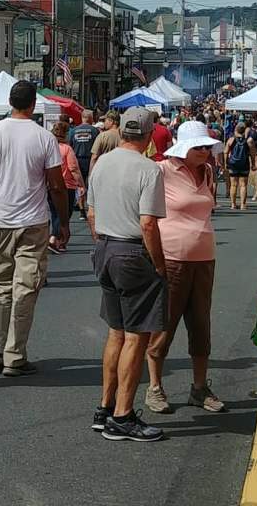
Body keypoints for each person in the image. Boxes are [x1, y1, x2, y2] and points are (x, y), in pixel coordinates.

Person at [0, 80, 69, 377]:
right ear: (32, 105)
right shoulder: (44, 137)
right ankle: (14, 355)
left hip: (1, 218)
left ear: (10, 102)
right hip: (33, 220)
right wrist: (63, 221)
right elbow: (56, 184)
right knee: (25, 287)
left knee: (2, 287)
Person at [88, 106, 167, 442]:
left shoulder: (102, 162)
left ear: (121, 131)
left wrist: (103, 241)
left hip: (106, 247)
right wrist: (159, 263)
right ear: (149, 136)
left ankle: (106, 407)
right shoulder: (149, 169)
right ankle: (122, 415)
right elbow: (148, 222)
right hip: (133, 251)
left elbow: (90, 212)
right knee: (136, 336)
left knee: (116, 332)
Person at [145, 121, 225, 414]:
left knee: (201, 325)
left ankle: (199, 387)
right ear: (184, 148)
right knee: (164, 324)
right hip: (172, 258)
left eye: (207, 146)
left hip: (204, 258)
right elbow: (146, 215)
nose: (205, 151)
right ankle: (154, 387)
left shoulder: (207, 171)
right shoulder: (161, 171)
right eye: (199, 147)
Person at [49, 121, 85, 254]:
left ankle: (57, 239)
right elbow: (73, 168)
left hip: (50, 184)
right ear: (65, 133)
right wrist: (81, 184)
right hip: (66, 185)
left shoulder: (49, 147)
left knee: (54, 213)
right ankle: (55, 239)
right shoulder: (67, 149)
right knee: (64, 214)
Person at [69, 109, 99, 219]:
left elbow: (70, 146)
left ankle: (82, 211)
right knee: (91, 185)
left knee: (79, 185)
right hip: (91, 160)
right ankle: (92, 208)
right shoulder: (94, 131)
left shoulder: (74, 131)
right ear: (90, 118)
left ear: (82, 118)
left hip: (77, 160)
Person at [224, 123, 257, 210]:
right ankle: (243, 204)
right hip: (244, 164)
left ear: (236, 130)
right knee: (243, 185)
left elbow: (226, 152)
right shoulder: (249, 141)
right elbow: (253, 154)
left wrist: (225, 163)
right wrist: (253, 164)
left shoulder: (231, 140)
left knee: (233, 185)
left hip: (233, 164)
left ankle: (233, 204)